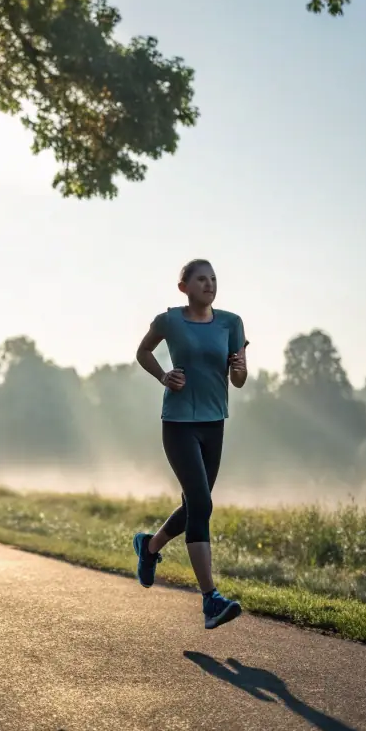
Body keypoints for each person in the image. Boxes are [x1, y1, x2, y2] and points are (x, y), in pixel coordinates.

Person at [132, 258, 249, 629]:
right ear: (183, 286)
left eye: (213, 279)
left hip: (215, 424)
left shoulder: (232, 323)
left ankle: (149, 547)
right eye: (201, 279)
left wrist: (240, 369)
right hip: (179, 424)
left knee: (194, 505)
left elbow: (240, 378)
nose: (209, 284)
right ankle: (211, 599)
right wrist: (164, 376)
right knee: (201, 503)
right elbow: (143, 352)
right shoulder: (170, 320)